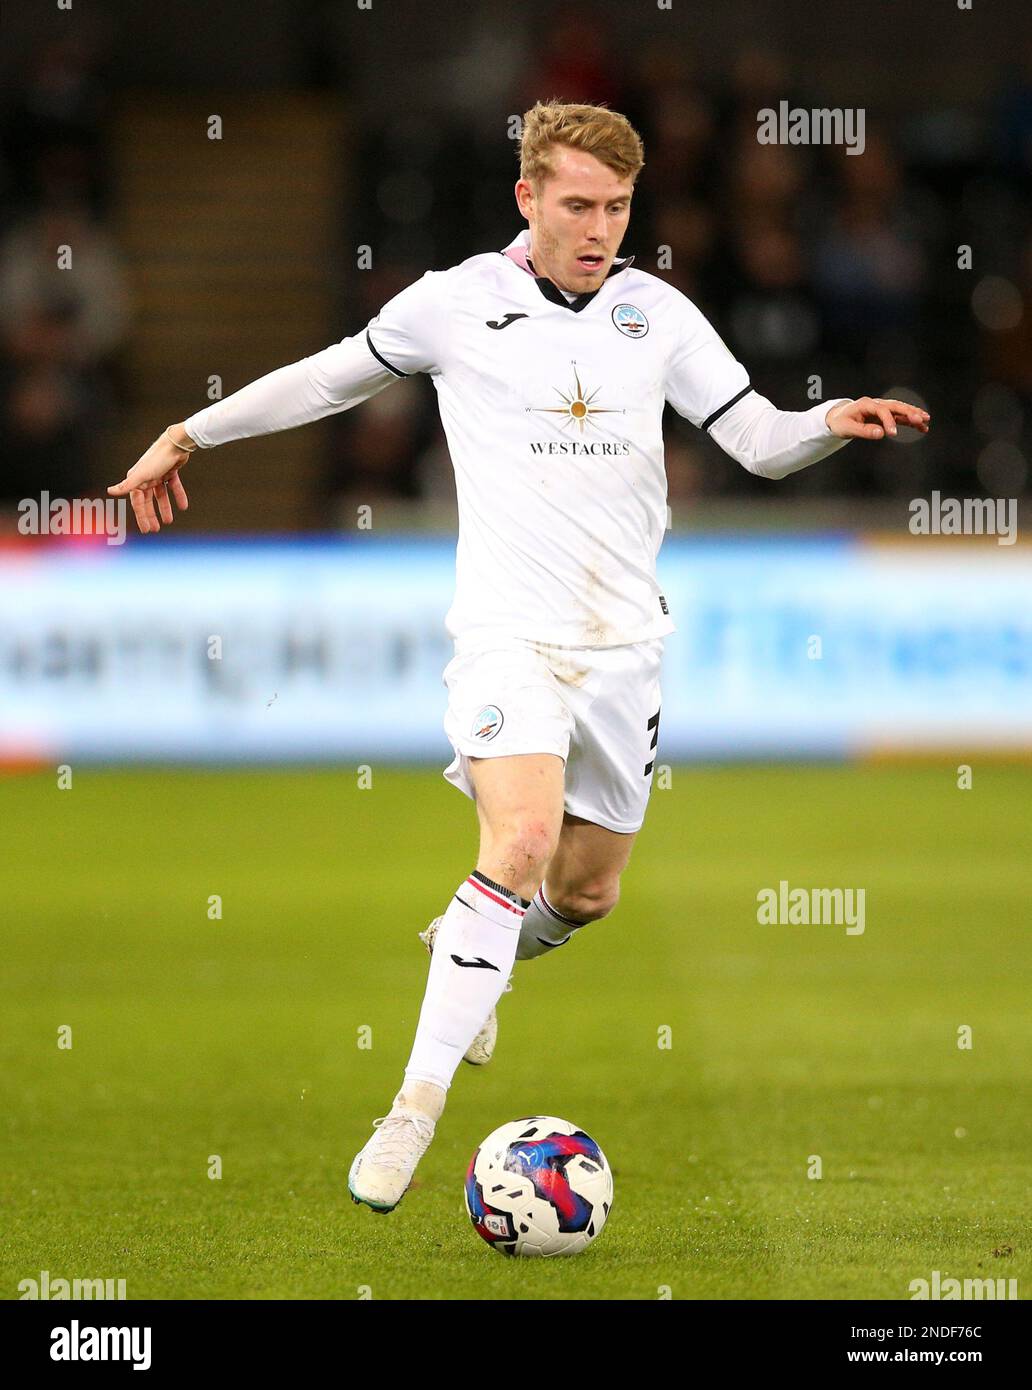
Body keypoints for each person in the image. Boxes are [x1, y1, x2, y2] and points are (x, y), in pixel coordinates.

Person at [108, 99, 930, 1213]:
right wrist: (192, 431)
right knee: (523, 838)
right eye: (579, 204)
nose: (599, 229)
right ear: (527, 197)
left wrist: (830, 420)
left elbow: (755, 438)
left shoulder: (659, 314)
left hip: (626, 648)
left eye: (619, 208)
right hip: (508, 638)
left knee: (586, 893)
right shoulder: (456, 305)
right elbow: (328, 377)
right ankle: (412, 1109)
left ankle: (472, 942)